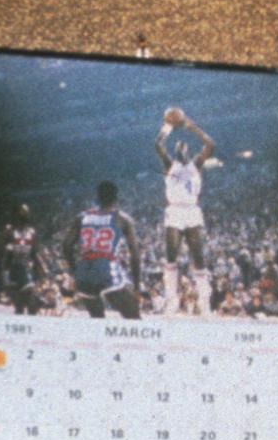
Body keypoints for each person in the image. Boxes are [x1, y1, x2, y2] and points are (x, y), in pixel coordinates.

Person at [155, 107, 216, 315]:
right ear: (176, 152)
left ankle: (204, 302)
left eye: (184, 146)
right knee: (171, 255)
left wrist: (191, 127)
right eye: (178, 146)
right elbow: (157, 145)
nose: (181, 147)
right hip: (174, 211)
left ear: (188, 151)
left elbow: (210, 144)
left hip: (191, 211)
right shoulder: (169, 165)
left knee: (198, 257)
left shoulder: (196, 165)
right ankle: (172, 300)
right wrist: (167, 127)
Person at [67, 180, 143, 320]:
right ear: (116, 197)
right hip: (105, 268)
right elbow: (135, 256)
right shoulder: (122, 219)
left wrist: (74, 271)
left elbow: (66, 246)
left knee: (97, 320)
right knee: (133, 317)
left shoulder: (81, 217)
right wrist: (137, 287)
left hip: (83, 271)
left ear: (97, 197)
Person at [0, 202, 41, 315]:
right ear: (16, 214)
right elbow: (2, 251)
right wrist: (4, 272)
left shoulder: (32, 232)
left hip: (26, 268)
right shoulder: (10, 231)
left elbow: (35, 253)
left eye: (26, 213)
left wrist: (38, 270)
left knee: (31, 300)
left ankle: (32, 320)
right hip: (13, 268)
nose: (24, 215)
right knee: (19, 306)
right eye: (22, 212)